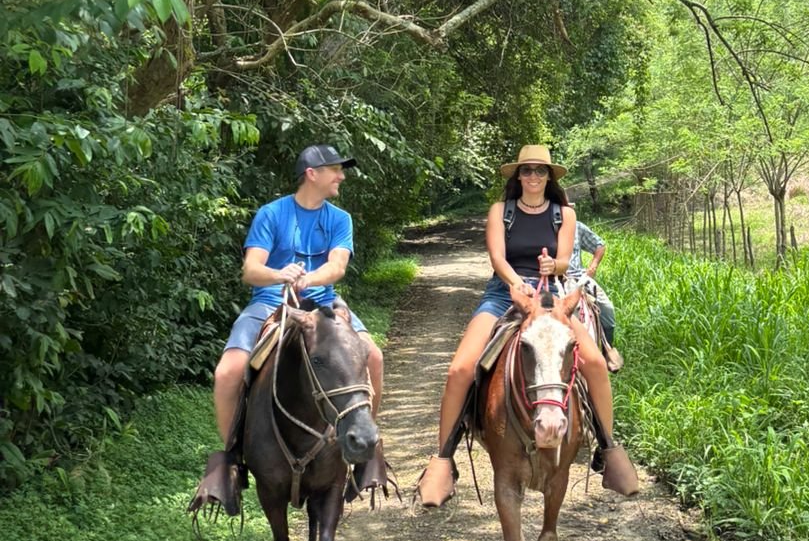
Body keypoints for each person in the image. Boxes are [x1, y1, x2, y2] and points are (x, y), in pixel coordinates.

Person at [416, 145, 639, 507]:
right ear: (517, 176)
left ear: (549, 177)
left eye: (540, 171)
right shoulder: (500, 212)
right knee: (460, 367)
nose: (533, 176)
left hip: (552, 296)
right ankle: (443, 459)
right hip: (504, 294)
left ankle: (609, 448)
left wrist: (555, 267)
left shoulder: (563, 214)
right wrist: (513, 282)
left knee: (596, 363)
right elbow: (497, 258)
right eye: (527, 171)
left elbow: (566, 259)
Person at [190, 144, 387, 514]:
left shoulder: (339, 218)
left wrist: (309, 279)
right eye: (335, 170)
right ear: (312, 173)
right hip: (269, 303)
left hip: (325, 304)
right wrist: (280, 275)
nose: (341, 176)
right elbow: (251, 269)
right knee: (228, 372)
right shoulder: (271, 214)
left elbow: (338, 266)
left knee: (373, 356)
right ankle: (233, 459)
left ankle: (363, 449)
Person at [566, 213, 623, 372]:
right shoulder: (540, 227)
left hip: (578, 276)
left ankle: (607, 349)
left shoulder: (576, 226)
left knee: (607, 308)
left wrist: (593, 266)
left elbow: (599, 244)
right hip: (552, 279)